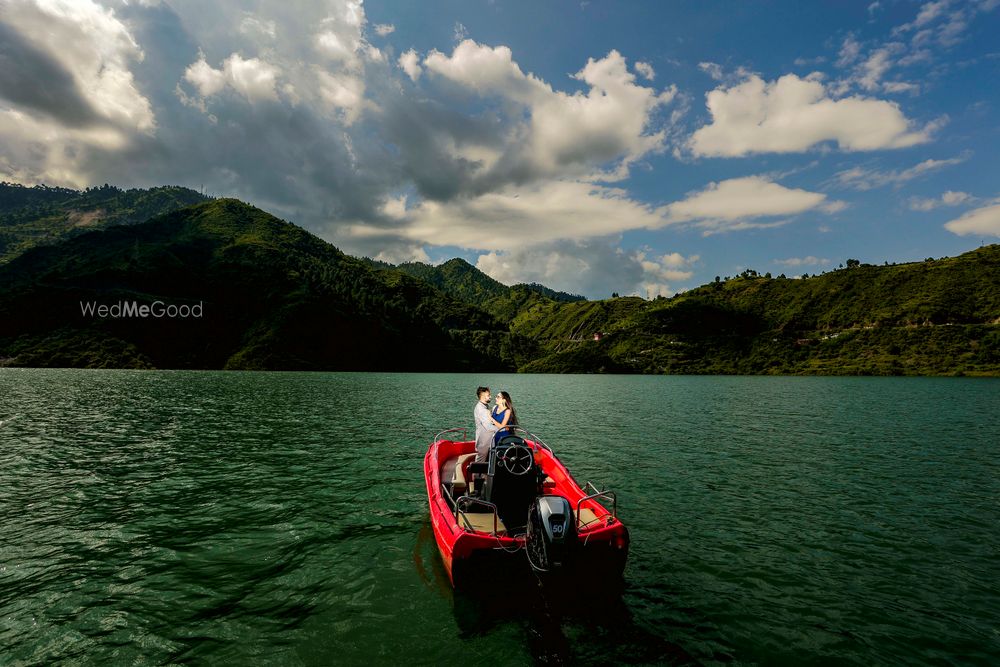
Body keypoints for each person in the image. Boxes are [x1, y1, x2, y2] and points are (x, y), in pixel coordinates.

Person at [473, 386, 497, 463]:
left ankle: (484, 475)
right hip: (484, 441)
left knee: (486, 461)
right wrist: (503, 429)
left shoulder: (485, 406)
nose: (490, 397)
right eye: (488, 395)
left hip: (487, 440)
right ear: (482, 396)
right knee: (480, 462)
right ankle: (476, 475)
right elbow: (488, 427)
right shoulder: (481, 409)